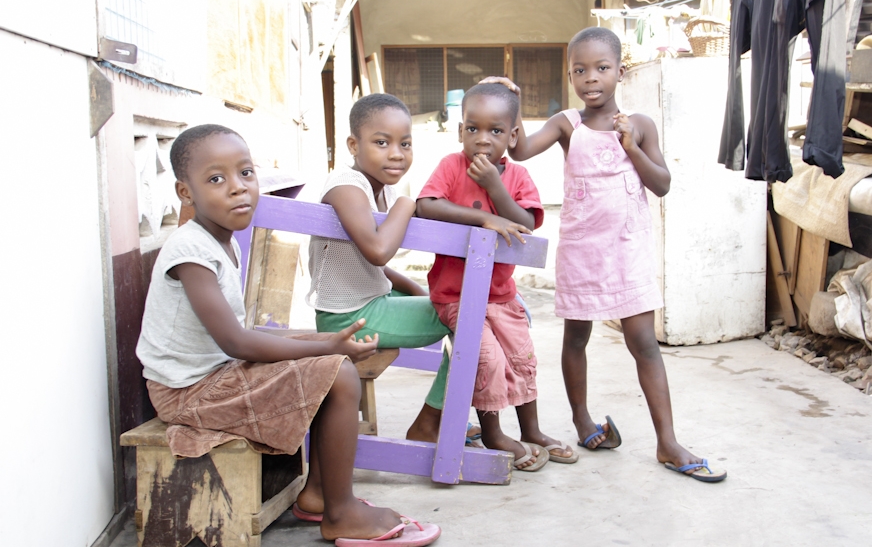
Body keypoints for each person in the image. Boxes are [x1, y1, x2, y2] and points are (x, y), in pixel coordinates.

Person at [136, 123, 441, 547]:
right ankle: (341, 513)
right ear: (185, 193)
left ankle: (318, 494)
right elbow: (237, 343)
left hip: (213, 375)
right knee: (338, 372)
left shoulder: (221, 241)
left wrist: (326, 346)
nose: (238, 187)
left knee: (331, 361)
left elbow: (239, 339)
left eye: (246, 173)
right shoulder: (190, 251)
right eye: (216, 179)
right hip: (188, 393)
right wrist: (326, 348)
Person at [481, 27, 726, 482]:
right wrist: (509, 101)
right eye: (580, 70)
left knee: (644, 343)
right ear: (570, 75)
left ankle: (667, 441)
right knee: (576, 337)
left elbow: (662, 184)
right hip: (582, 251)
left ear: (620, 72)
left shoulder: (640, 125)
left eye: (601, 68)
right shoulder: (566, 124)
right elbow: (519, 149)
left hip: (628, 251)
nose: (590, 78)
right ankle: (582, 421)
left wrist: (631, 146)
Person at [416, 83, 578, 471]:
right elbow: (426, 206)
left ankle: (532, 430)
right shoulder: (450, 167)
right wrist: (484, 218)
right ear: (460, 131)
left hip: (502, 294)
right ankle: (493, 433)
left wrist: (494, 187)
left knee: (522, 358)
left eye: (495, 131)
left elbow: (526, 223)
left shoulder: (518, 176)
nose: (483, 139)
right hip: (455, 296)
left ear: (513, 135)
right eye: (473, 129)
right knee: (486, 359)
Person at [305, 93, 479, 451]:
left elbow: (376, 267)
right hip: (350, 317)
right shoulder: (346, 185)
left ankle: (446, 414)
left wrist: (418, 292)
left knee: (467, 309)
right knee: (476, 317)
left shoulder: (379, 188)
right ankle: (431, 422)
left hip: (369, 301)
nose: (397, 154)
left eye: (405, 143)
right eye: (382, 143)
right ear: (354, 145)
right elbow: (377, 250)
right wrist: (406, 204)